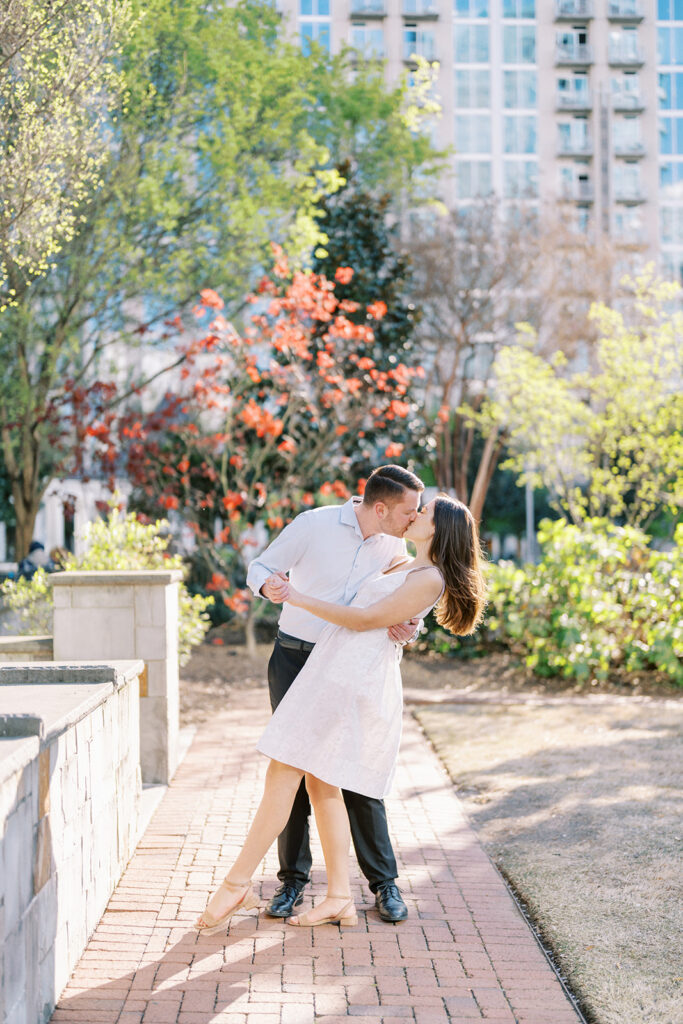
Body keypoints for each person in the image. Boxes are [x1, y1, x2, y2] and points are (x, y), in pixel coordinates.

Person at [195, 492, 486, 935]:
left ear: (440, 528)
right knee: (318, 781)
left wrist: (297, 596)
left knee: (284, 771)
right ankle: (338, 898)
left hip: (350, 682)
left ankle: (236, 883)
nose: (414, 515)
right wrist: (410, 625)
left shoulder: (429, 576)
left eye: (422, 512)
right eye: (413, 507)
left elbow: (364, 618)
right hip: (331, 671)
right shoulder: (404, 561)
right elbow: (383, 609)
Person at [246, 465, 424, 924]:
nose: (415, 517)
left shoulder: (393, 541)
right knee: (295, 772)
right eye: (408, 510)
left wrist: (409, 628)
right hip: (296, 658)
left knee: (357, 772)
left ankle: (383, 883)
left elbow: (397, 599)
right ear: (380, 508)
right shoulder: (314, 525)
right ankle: (292, 883)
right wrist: (268, 584)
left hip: (348, 669)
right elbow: (261, 565)